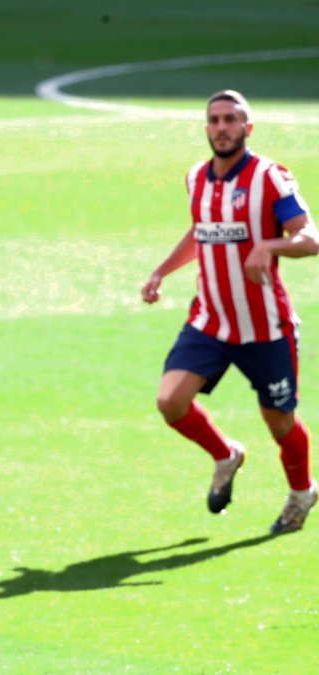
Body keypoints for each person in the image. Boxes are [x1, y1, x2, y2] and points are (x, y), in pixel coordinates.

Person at [142, 90, 319, 534]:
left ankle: (302, 492)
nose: (222, 128)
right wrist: (162, 271)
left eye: (231, 120)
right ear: (207, 128)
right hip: (211, 321)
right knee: (170, 401)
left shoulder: (270, 178)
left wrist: (270, 245)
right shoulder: (196, 178)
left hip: (265, 327)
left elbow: (309, 238)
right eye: (215, 120)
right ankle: (226, 455)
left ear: (247, 128)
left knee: (279, 423)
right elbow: (201, 231)